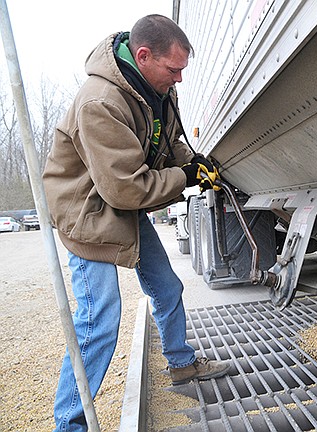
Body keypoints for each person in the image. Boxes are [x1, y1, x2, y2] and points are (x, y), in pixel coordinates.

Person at [42, 14, 230, 431]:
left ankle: (181, 363)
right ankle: (69, 424)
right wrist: (186, 178)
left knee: (168, 287)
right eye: (173, 69)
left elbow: (168, 140)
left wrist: (191, 161)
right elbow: (126, 189)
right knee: (100, 320)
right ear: (143, 56)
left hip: (122, 204)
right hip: (88, 211)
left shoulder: (155, 88)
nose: (179, 79)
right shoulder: (101, 103)